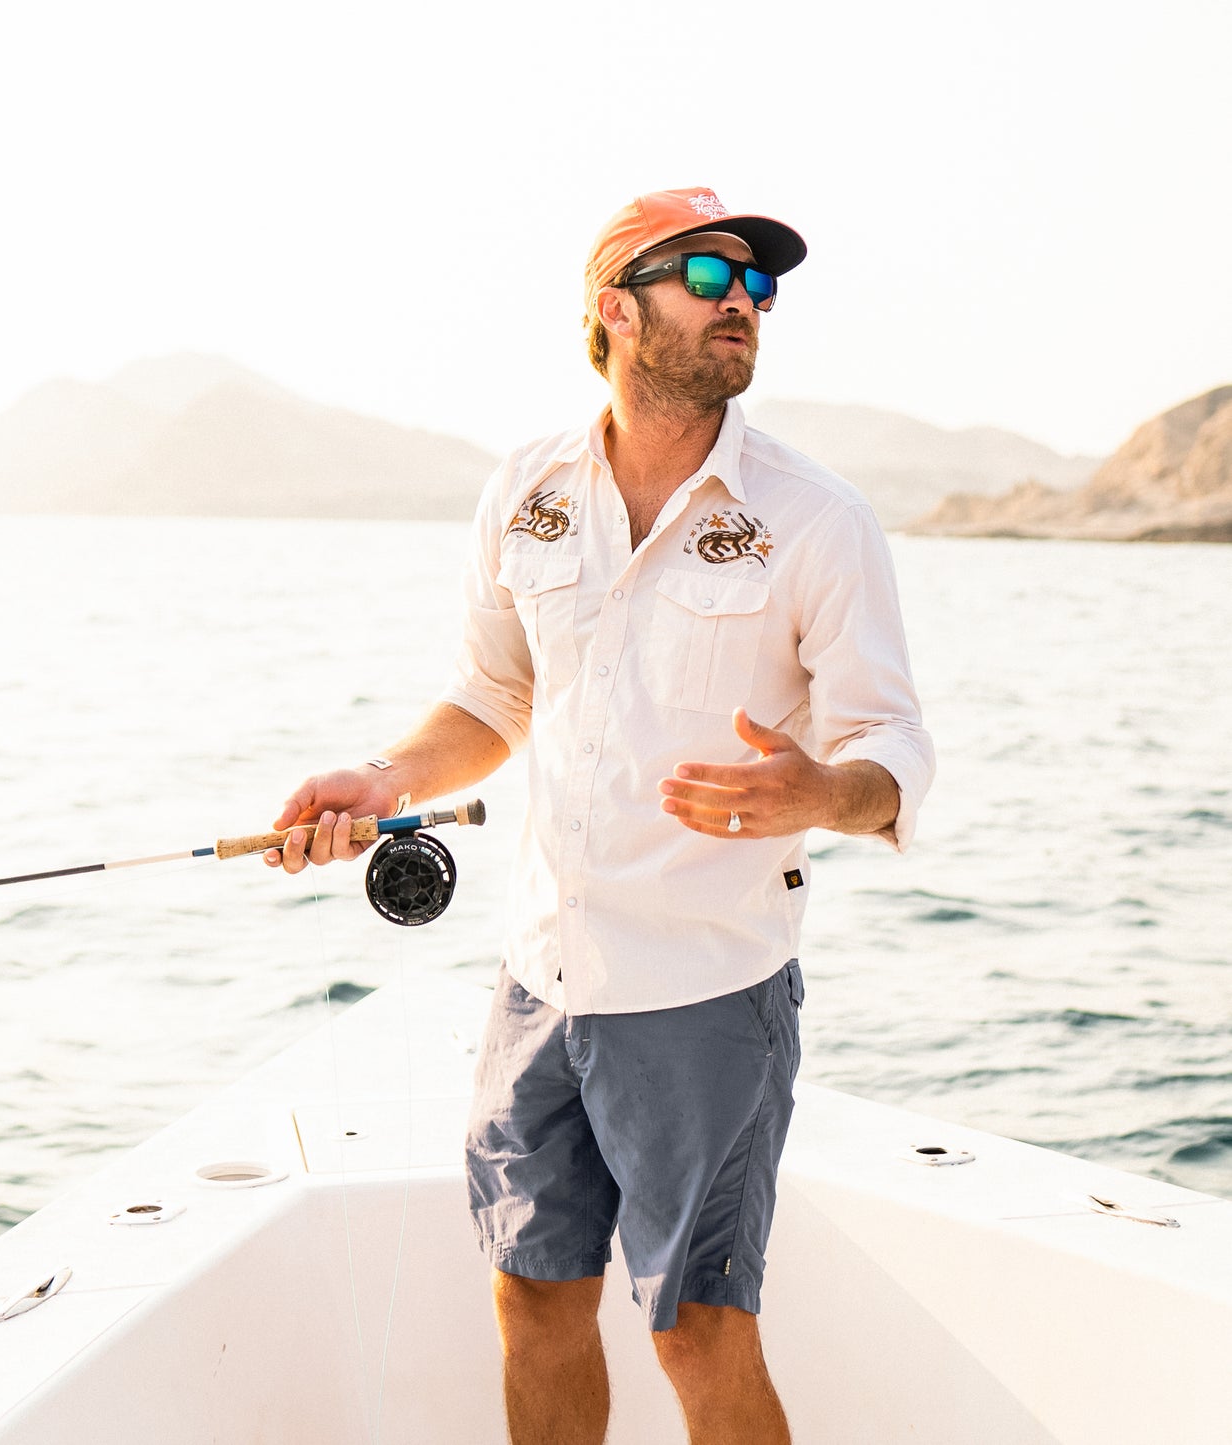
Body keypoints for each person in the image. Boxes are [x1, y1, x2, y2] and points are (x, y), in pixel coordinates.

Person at [265, 185, 934, 1444]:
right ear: (615, 311)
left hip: (704, 990)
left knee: (697, 1329)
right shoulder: (525, 488)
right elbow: (496, 691)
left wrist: (820, 790)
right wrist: (383, 780)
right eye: (711, 278)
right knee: (530, 1297)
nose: (745, 305)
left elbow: (888, 745)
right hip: (538, 983)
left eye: (759, 287)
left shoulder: (816, 519)